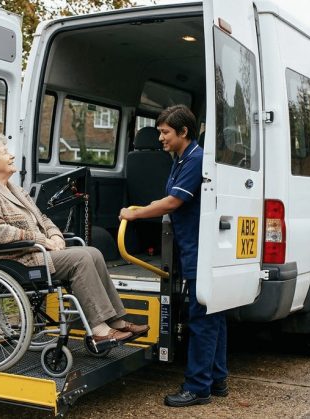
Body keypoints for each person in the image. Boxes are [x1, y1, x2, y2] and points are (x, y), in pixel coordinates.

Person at [0, 132, 149, 343]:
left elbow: (42, 218)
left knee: (93, 253)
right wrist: (42, 240)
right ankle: (99, 330)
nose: (12, 156)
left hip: (33, 253)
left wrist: (56, 236)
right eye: (5, 152)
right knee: (81, 259)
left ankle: (115, 320)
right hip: (14, 260)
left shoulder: (14, 189)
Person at [119, 105, 228, 407]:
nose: (160, 138)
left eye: (165, 132)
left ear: (183, 132)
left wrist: (135, 213)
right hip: (192, 247)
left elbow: (172, 202)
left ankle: (198, 388)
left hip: (200, 250)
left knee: (202, 318)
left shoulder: (195, 160)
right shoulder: (181, 158)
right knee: (213, 316)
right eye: (159, 132)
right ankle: (217, 379)